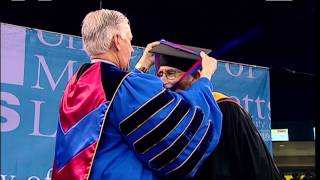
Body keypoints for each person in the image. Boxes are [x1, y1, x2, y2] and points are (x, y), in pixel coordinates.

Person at [52, 9, 223, 180]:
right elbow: (179, 129)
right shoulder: (121, 85)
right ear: (117, 41)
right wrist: (205, 80)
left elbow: (120, 108)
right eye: (130, 40)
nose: (132, 50)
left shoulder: (78, 82)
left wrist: (141, 66)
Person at [150, 40, 282, 180]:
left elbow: (259, 168)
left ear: (197, 76)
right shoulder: (164, 117)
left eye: (171, 73)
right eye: (160, 74)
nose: (163, 81)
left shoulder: (226, 108)